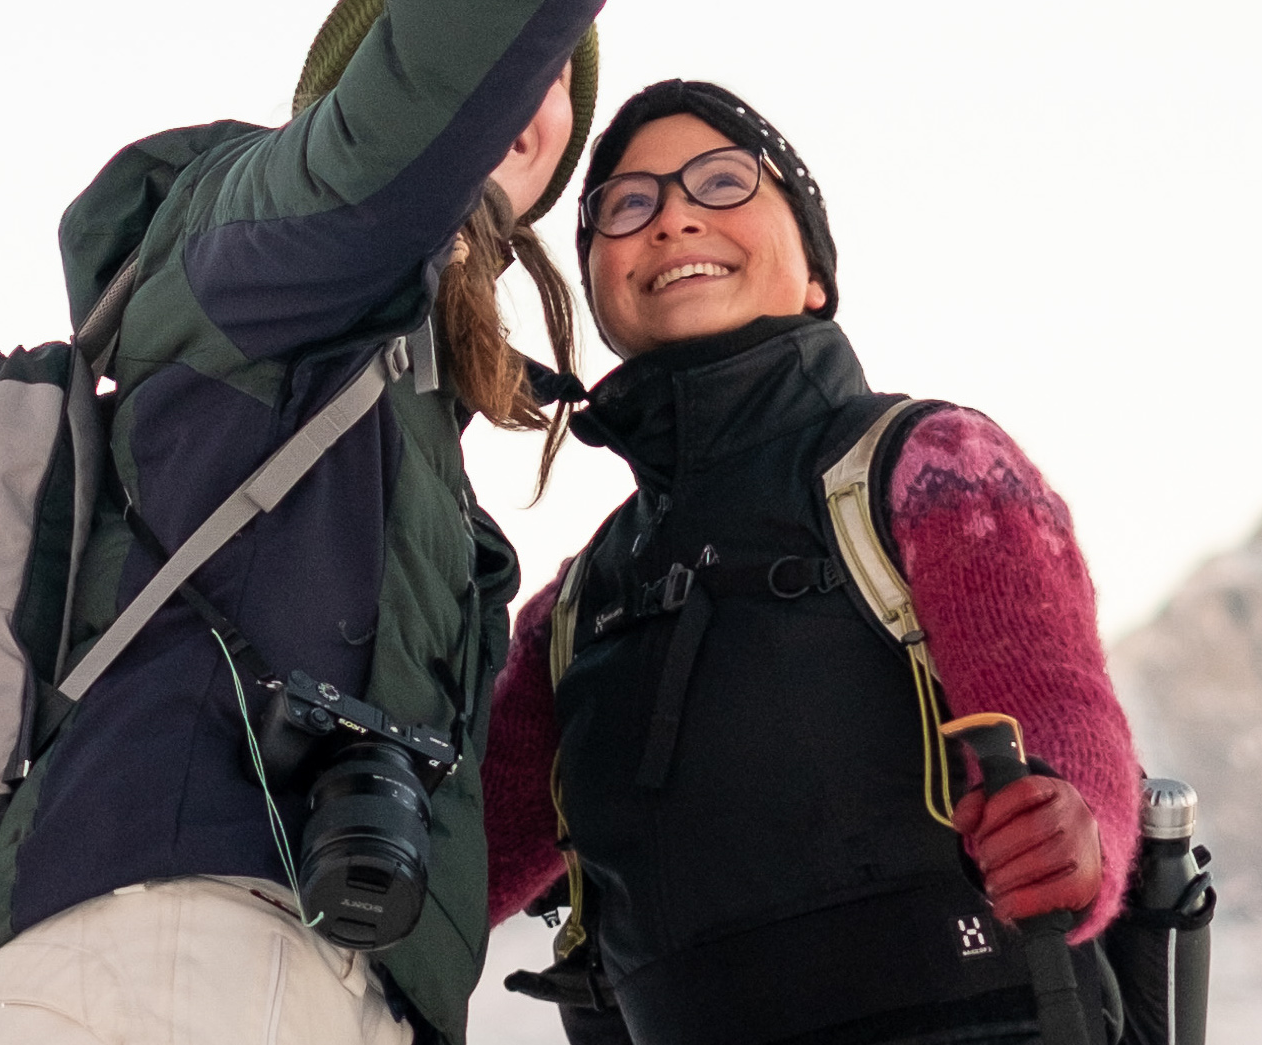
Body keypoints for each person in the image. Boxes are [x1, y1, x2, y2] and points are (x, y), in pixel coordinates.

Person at [0, 0, 824, 1045]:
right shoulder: (266, 241)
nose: (529, 100)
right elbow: (435, 76)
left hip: (285, 968)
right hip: (181, 946)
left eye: (556, 87)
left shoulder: (376, 373)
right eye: (507, 66)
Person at [484, 80, 1141, 1045]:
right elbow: (459, 866)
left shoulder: (934, 465)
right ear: (600, 291)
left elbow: (1056, 702)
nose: (672, 217)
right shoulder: (572, 611)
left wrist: (1074, 825)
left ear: (815, 275)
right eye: (626, 204)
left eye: (720, 180)